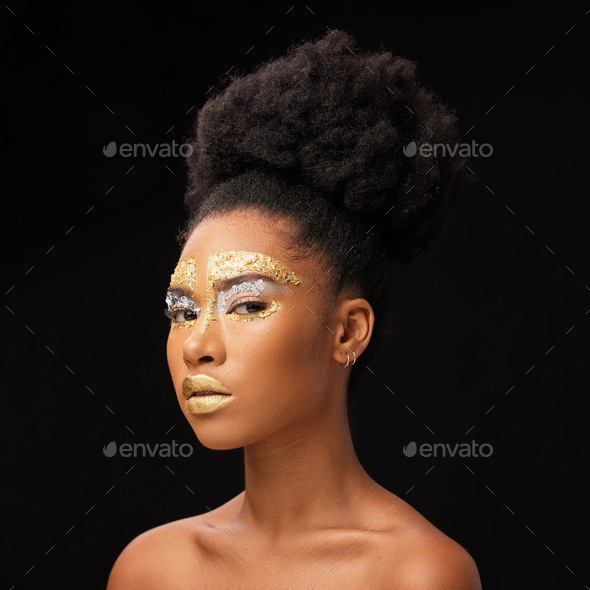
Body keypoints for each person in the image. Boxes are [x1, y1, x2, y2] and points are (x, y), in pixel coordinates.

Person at [107, 29, 482, 589]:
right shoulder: (152, 570)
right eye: (182, 310)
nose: (196, 345)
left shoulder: (416, 574)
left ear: (348, 330)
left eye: (248, 303)